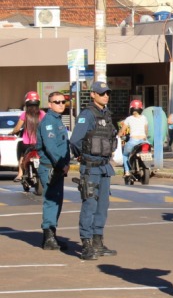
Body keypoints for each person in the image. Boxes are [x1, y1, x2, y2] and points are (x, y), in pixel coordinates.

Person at [69, 81, 118, 261]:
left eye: (107, 93)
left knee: (102, 206)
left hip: (105, 166)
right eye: (102, 93)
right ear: (93, 94)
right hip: (91, 167)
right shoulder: (87, 114)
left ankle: (98, 241)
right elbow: (75, 140)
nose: (105, 95)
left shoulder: (106, 114)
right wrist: (80, 156)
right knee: (89, 205)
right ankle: (86, 244)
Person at [36, 91, 71, 250]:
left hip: (58, 168)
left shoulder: (58, 120)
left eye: (63, 102)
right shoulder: (48, 122)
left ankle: (52, 236)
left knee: (57, 202)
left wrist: (66, 162)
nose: (61, 104)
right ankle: (48, 238)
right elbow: (50, 147)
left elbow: (63, 144)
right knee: (51, 202)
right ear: (50, 104)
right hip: (50, 168)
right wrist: (60, 164)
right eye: (57, 102)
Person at [11, 91, 46, 182]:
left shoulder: (24, 114)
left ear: (26, 102)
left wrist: (12, 132)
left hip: (27, 144)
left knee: (21, 152)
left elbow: (17, 128)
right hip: (40, 142)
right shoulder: (42, 114)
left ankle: (20, 173)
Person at [118, 99, 149, 180]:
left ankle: (127, 171)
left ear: (131, 109)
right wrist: (145, 136)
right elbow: (146, 130)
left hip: (133, 141)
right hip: (144, 141)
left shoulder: (129, 119)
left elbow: (122, 130)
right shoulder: (144, 118)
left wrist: (118, 136)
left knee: (125, 155)